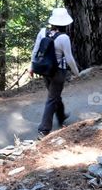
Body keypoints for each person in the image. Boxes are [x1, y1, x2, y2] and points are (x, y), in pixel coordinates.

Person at [30, 7, 80, 137]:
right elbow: (69, 58)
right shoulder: (64, 38)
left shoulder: (43, 32)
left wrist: (32, 66)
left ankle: (61, 115)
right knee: (52, 98)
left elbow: (35, 51)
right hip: (58, 72)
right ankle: (44, 129)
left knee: (54, 94)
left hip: (44, 70)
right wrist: (77, 73)